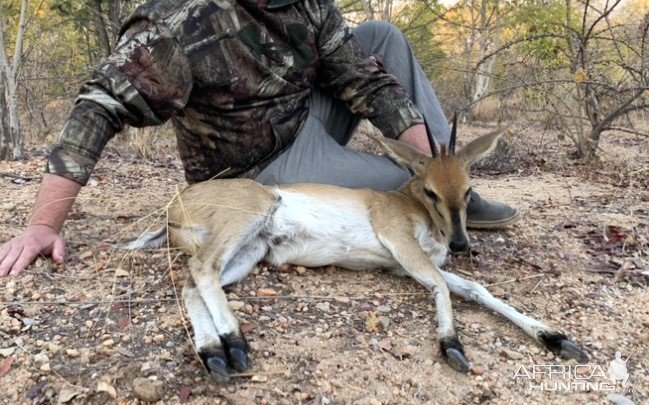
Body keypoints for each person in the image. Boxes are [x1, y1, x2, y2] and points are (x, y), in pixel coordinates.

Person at [0, 0, 518, 277]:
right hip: (257, 166)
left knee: (382, 37)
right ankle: (439, 200)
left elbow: (364, 78)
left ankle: (453, 192)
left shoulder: (307, 5)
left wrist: (438, 178)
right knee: (397, 205)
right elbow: (99, 105)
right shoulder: (179, 22)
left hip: (302, 115)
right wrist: (42, 225)